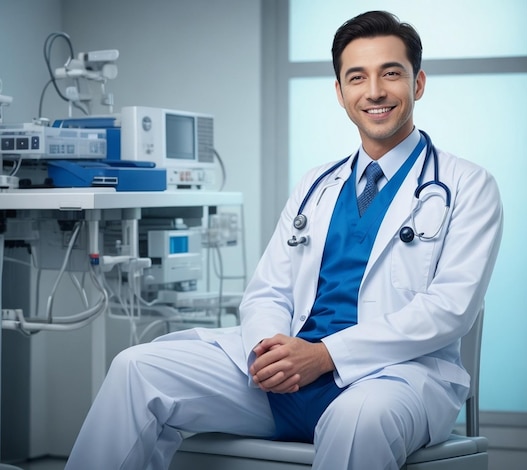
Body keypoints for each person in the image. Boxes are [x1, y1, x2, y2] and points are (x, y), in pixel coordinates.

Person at [65, 10, 503, 470]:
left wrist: (325, 355)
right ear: (340, 92)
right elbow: (267, 291)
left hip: (391, 378)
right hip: (287, 376)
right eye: (357, 77)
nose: (374, 91)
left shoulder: (467, 185)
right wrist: (269, 350)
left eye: (390, 73)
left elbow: (449, 309)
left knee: (357, 420)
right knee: (136, 370)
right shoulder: (316, 184)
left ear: (417, 84)